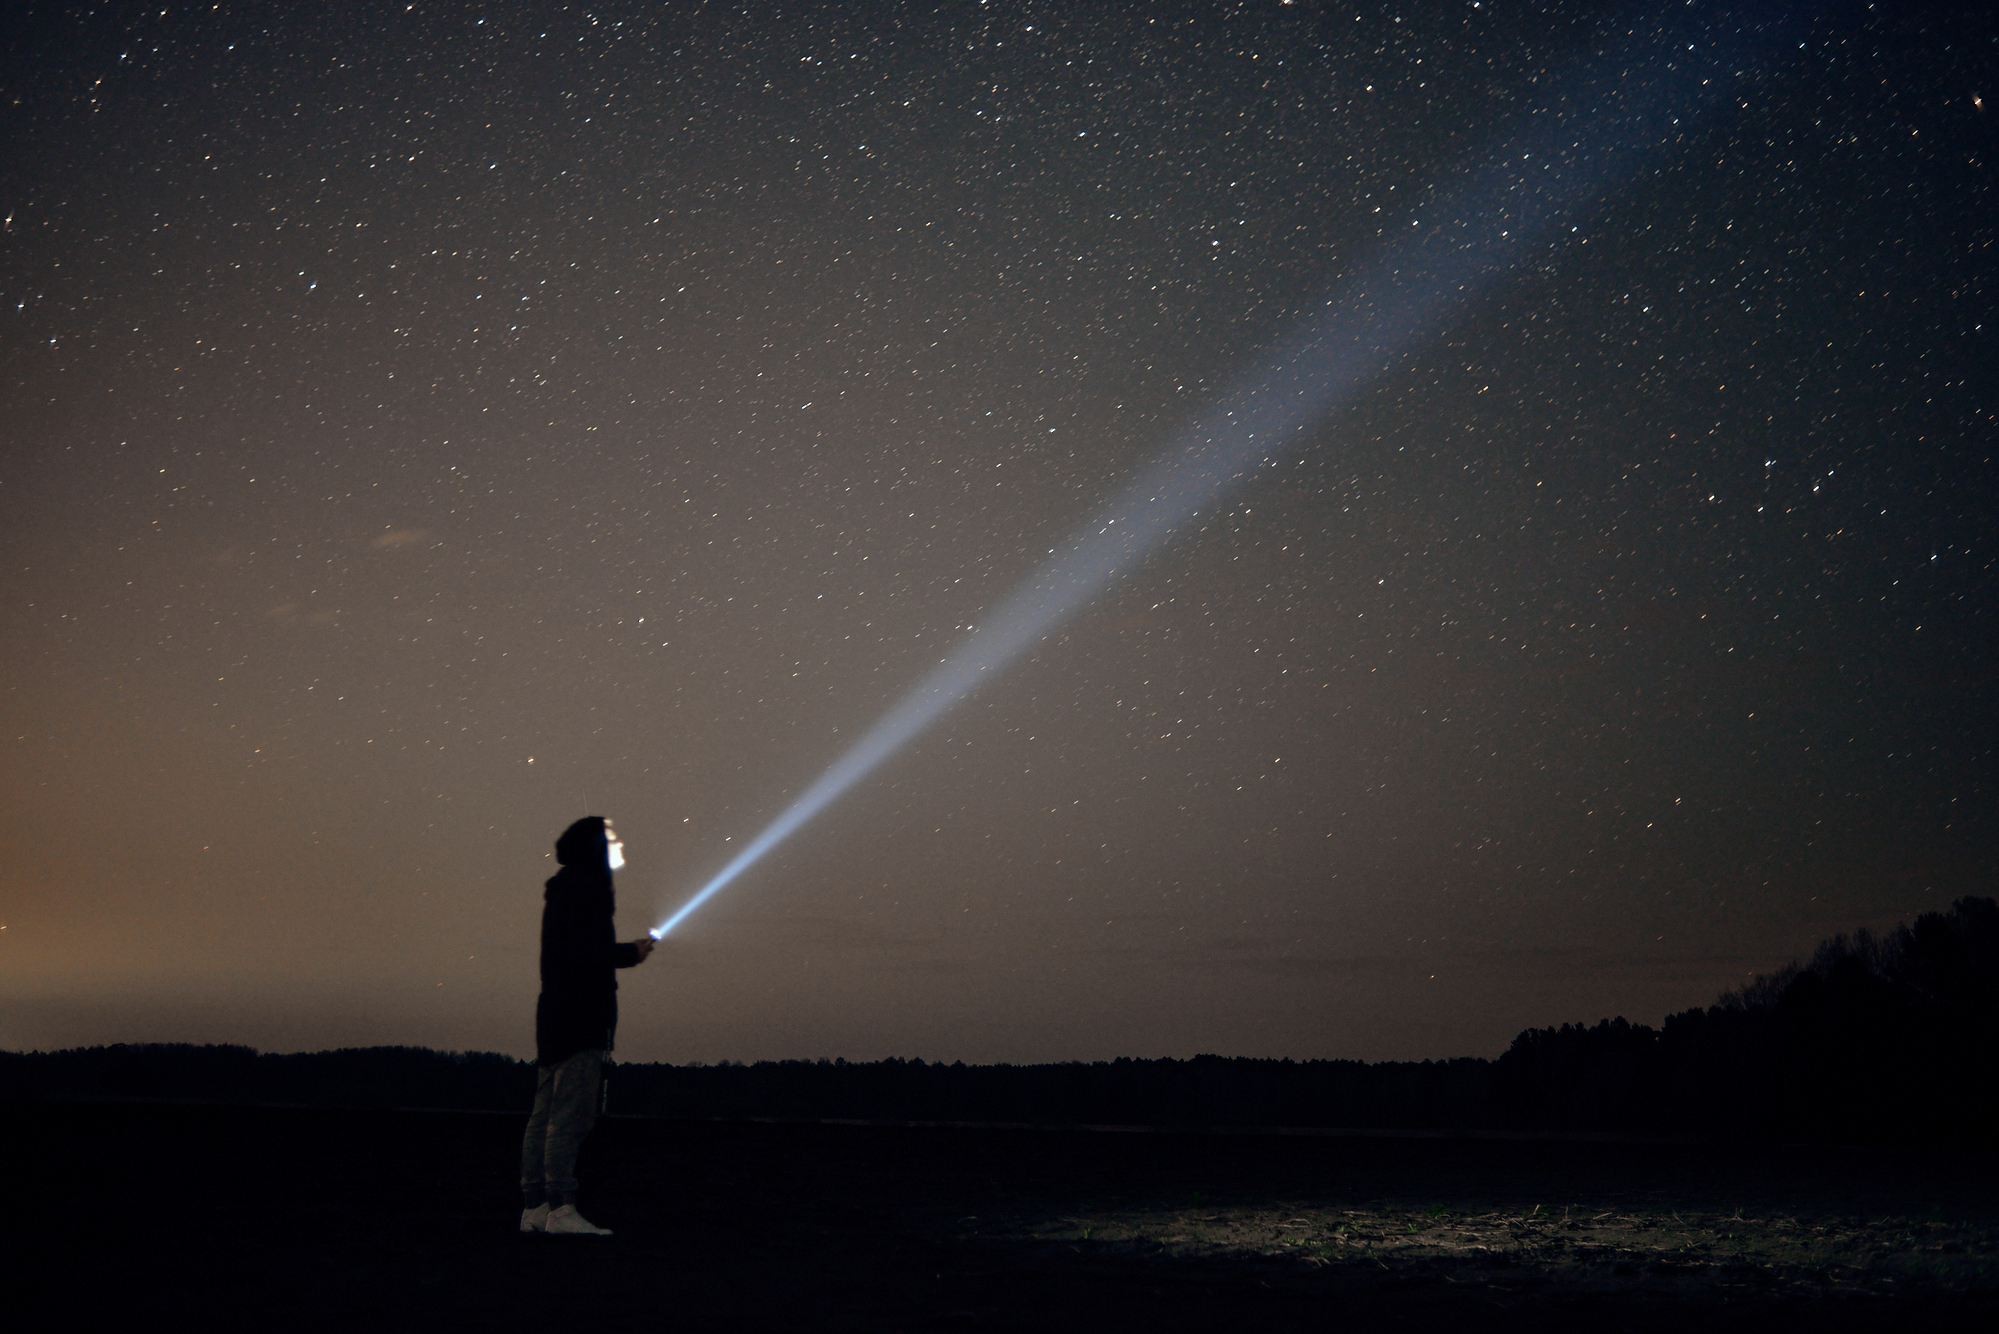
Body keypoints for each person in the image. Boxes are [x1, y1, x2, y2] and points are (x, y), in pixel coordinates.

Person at [518, 815, 655, 1235]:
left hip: (555, 1015)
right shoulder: (584, 889)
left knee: (544, 1115)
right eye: (611, 839)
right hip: (579, 1016)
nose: (619, 845)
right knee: (569, 1115)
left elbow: (574, 950)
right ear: (595, 847)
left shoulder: (564, 889)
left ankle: (535, 1207)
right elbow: (587, 952)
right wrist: (631, 952)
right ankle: (561, 1208)